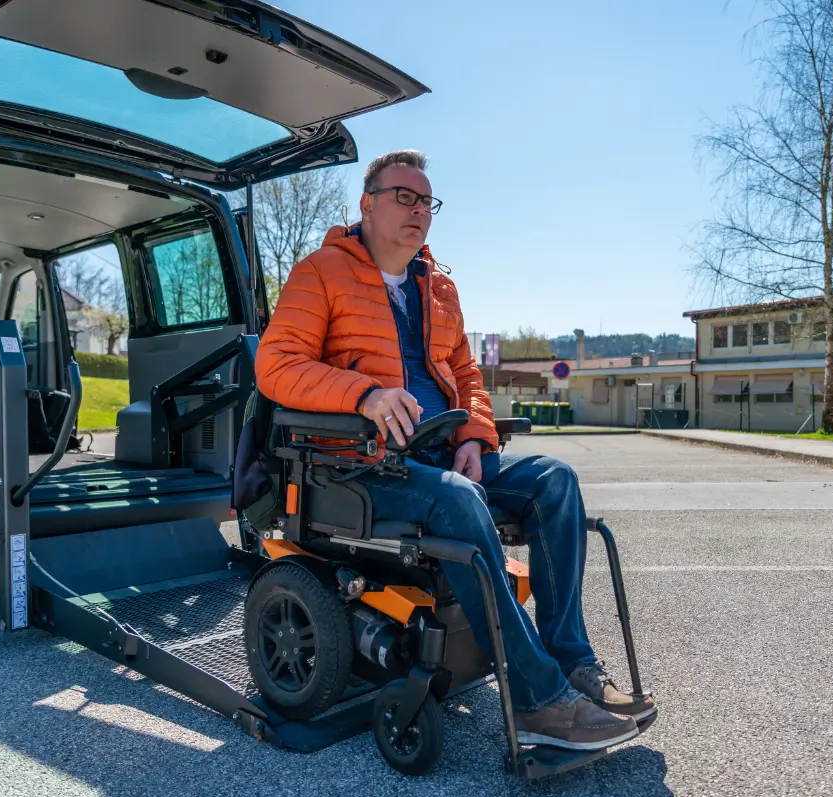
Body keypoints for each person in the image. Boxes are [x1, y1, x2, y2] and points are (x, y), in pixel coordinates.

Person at [254, 150, 655, 751]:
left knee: (556, 480)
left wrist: (474, 435)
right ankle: (539, 702)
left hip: (444, 455)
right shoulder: (320, 272)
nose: (419, 211)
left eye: (427, 201)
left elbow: (466, 373)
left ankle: (572, 665)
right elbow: (276, 365)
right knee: (462, 501)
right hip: (362, 467)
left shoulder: (439, 285)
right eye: (404, 197)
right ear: (367, 203)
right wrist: (363, 394)